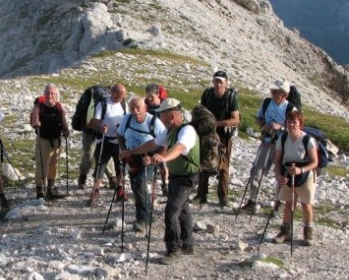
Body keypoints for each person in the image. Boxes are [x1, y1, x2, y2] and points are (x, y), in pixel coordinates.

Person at [124, 98, 200, 265]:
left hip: (187, 178)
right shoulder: (171, 130)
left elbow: (179, 148)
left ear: (172, 116)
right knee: (183, 208)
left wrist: (163, 157)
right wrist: (132, 152)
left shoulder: (186, 131)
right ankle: (187, 244)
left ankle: (173, 249)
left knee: (172, 210)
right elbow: (152, 143)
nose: (160, 119)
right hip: (177, 175)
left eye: (163, 115)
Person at [242, 78, 297, 214]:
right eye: (272, 91)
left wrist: (281, 127)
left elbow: (296, 127)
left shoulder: (291, 108)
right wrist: (263, 125)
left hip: (282, 145)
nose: (272, 93)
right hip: (267, 141)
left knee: (281, 175)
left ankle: (278, 205)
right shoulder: (267, 103)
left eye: (275, 92)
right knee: (257, 171)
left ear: (283, 94)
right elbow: (258, 118)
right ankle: (252, 201)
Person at [118, 97, 166, 232]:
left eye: (138, 108)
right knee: (136, 185)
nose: (135, 111)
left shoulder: (154, 123)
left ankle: (142, 219)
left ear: (145, 107)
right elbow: (120, 134)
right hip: (132, 158)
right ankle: (150, 214)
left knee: (139, 183)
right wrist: (123, 150)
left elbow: (165, 143)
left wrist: (155, 158)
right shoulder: (126, 119)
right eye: (132, 108)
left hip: (149, 159)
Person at [194, 70, 240, 208]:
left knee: (223, 166)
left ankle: (223, 197)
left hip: (225, 136)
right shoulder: (207, 94)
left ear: (226, 83)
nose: (218, 84)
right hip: (207, 135)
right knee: (203, 162)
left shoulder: (231, 97)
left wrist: (217, 123)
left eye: (220, 81)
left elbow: (235, 119)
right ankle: (201, 195)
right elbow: (201, 110)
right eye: (216, 81)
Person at [272, 110, 319, 245]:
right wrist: (279, 176)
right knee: (288, 203)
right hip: (288, 173)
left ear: (300, 124)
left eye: (294, 122)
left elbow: (315, 162)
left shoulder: (308, 140)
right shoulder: (282, 138)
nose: (291, 125)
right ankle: (286, 231)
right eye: (289, 122)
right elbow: (277, 160)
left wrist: (301, 170)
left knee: (306, 204)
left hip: (306, 175)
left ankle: (308, 232)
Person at [87, 83, 127, 205]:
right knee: (100, 166)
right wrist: (100, 127)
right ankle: (95, 192)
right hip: (105, 140)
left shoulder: (123, 104)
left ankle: (120, 191)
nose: (123, 97)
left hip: (119, 140)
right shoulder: (103, 104)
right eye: (121, 95)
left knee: (120, 167)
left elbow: (127, 118)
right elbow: (95, 121)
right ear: (115, 94)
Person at [30, 83, 70, 200]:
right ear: (44, 94)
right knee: (42, 165)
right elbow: (34, 120)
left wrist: (66, 130)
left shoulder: (59, 107)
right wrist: (36, 124)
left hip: (56, 140)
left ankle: (50, 190)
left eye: (52, 93)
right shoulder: (39, 106)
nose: (49, 95)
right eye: (47, 93)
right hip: (43, 140)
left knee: (54, 165)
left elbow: (63, 122)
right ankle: (40, 191)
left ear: (56, 94)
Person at [145, 83, 169, 195]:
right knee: (150, 164)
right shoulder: (146, 107)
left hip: (163, 139)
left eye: (152, 97)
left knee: (163, 165)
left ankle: (165, 185)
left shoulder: (164, 107)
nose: (149, 99)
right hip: (150, 140)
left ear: (157, 94)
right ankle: (146, 186)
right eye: (148, 96)